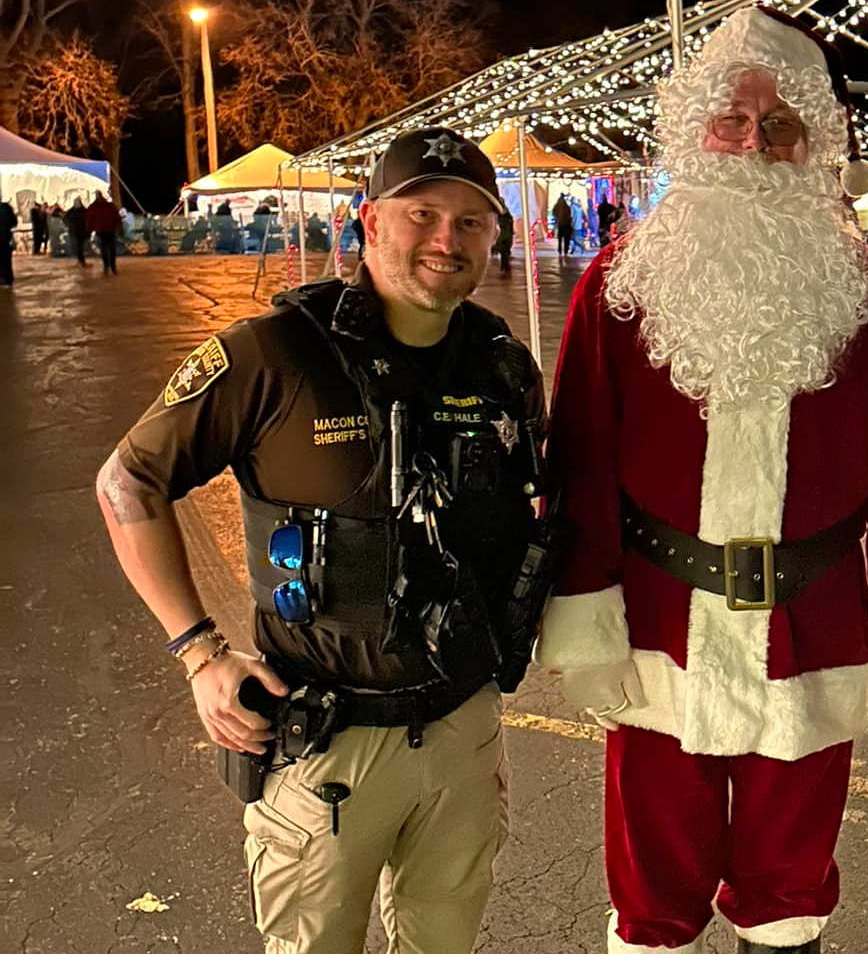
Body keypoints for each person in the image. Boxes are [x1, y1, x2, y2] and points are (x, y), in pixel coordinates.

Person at [536, 5, 868, 954]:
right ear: (695, 130)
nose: (754, 142)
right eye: (732, 120)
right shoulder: (620, 282)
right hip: (654, 621)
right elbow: (584, 464)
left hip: (814, 622)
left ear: (815, 142)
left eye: (781, 124)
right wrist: (585, 619)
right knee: (653, 882)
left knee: (791, 878)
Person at [94, 127, 552, 954]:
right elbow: (128, 482)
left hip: (464, 732)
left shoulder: (501, 367)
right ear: (370, 222)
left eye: (472, 221)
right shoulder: (275, 352)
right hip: (326, 746)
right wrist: (201, 654)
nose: (447, 239)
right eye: (421, 214)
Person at [86, 190, 123, 275]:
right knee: (107, 250)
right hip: (104, 230)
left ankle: (110, 267)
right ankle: (110, 267)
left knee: (107, 250)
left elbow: (116, 217)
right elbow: (89, 220)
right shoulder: (101, 206)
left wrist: (90, 229)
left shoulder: (98, 206)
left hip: (106, 230)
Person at [64, 197, 88, 267]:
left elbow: (66, 219)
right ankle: (81, 260)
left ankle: (81, 260)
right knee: (79, 246)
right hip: (77, 231)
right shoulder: (81, 211)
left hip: (79, 231)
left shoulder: (72, 211)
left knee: (79, 246)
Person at [0, 196, 16, 287]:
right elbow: (14, 222)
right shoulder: (6, 208)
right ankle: (7, 280)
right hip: (5, 240)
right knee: (6, 262)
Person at [494, 209, 514, 276]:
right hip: (505, 237)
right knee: (505, 253)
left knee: (504, 253)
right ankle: (505, 268)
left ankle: (505, 268)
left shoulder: (500, 217)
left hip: (504, 237)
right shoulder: (507, 217)